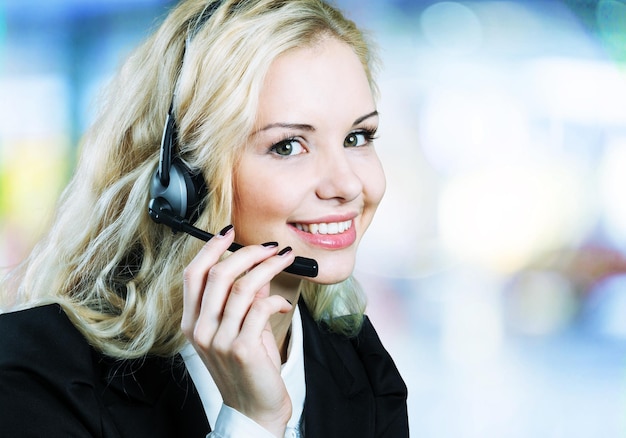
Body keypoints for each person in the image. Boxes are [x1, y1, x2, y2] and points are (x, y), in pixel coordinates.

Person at [0, 0, 409, 436]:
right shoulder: (31, 376)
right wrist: (252, 422)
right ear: (183, 180)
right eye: (288, 145)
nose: (346, 184)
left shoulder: (359, 362)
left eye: (356, 137)